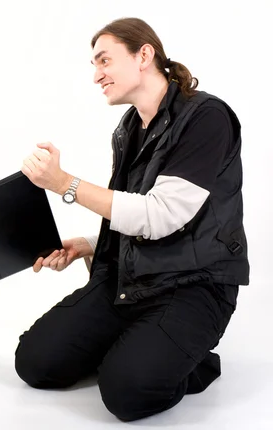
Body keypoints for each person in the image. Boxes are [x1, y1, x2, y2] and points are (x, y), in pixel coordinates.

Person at [15, 17, 249, 421]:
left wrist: (64, 183)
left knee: (127, 392)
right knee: (35, 363)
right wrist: (91, 243)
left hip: (194, 285)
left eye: (104, 60)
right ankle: (138, 346)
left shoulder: (207, 118)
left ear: (144, 55)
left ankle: (189, 361)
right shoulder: (128, 128)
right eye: (93, 64)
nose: (95, 75)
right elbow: (134, 208)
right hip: (129, 281)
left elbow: (160, 216)